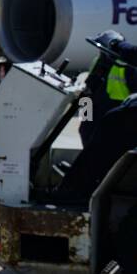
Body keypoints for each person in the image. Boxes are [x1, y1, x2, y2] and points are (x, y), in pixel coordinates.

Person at [55, 30, 137, 203]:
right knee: (89, 140)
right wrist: (84, 118)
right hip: (97, 114)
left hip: (116, 114)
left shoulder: (126, 66)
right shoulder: (97, 63)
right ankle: (84, 178)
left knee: (109, 147)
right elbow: (88, 92)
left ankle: (83, 186)